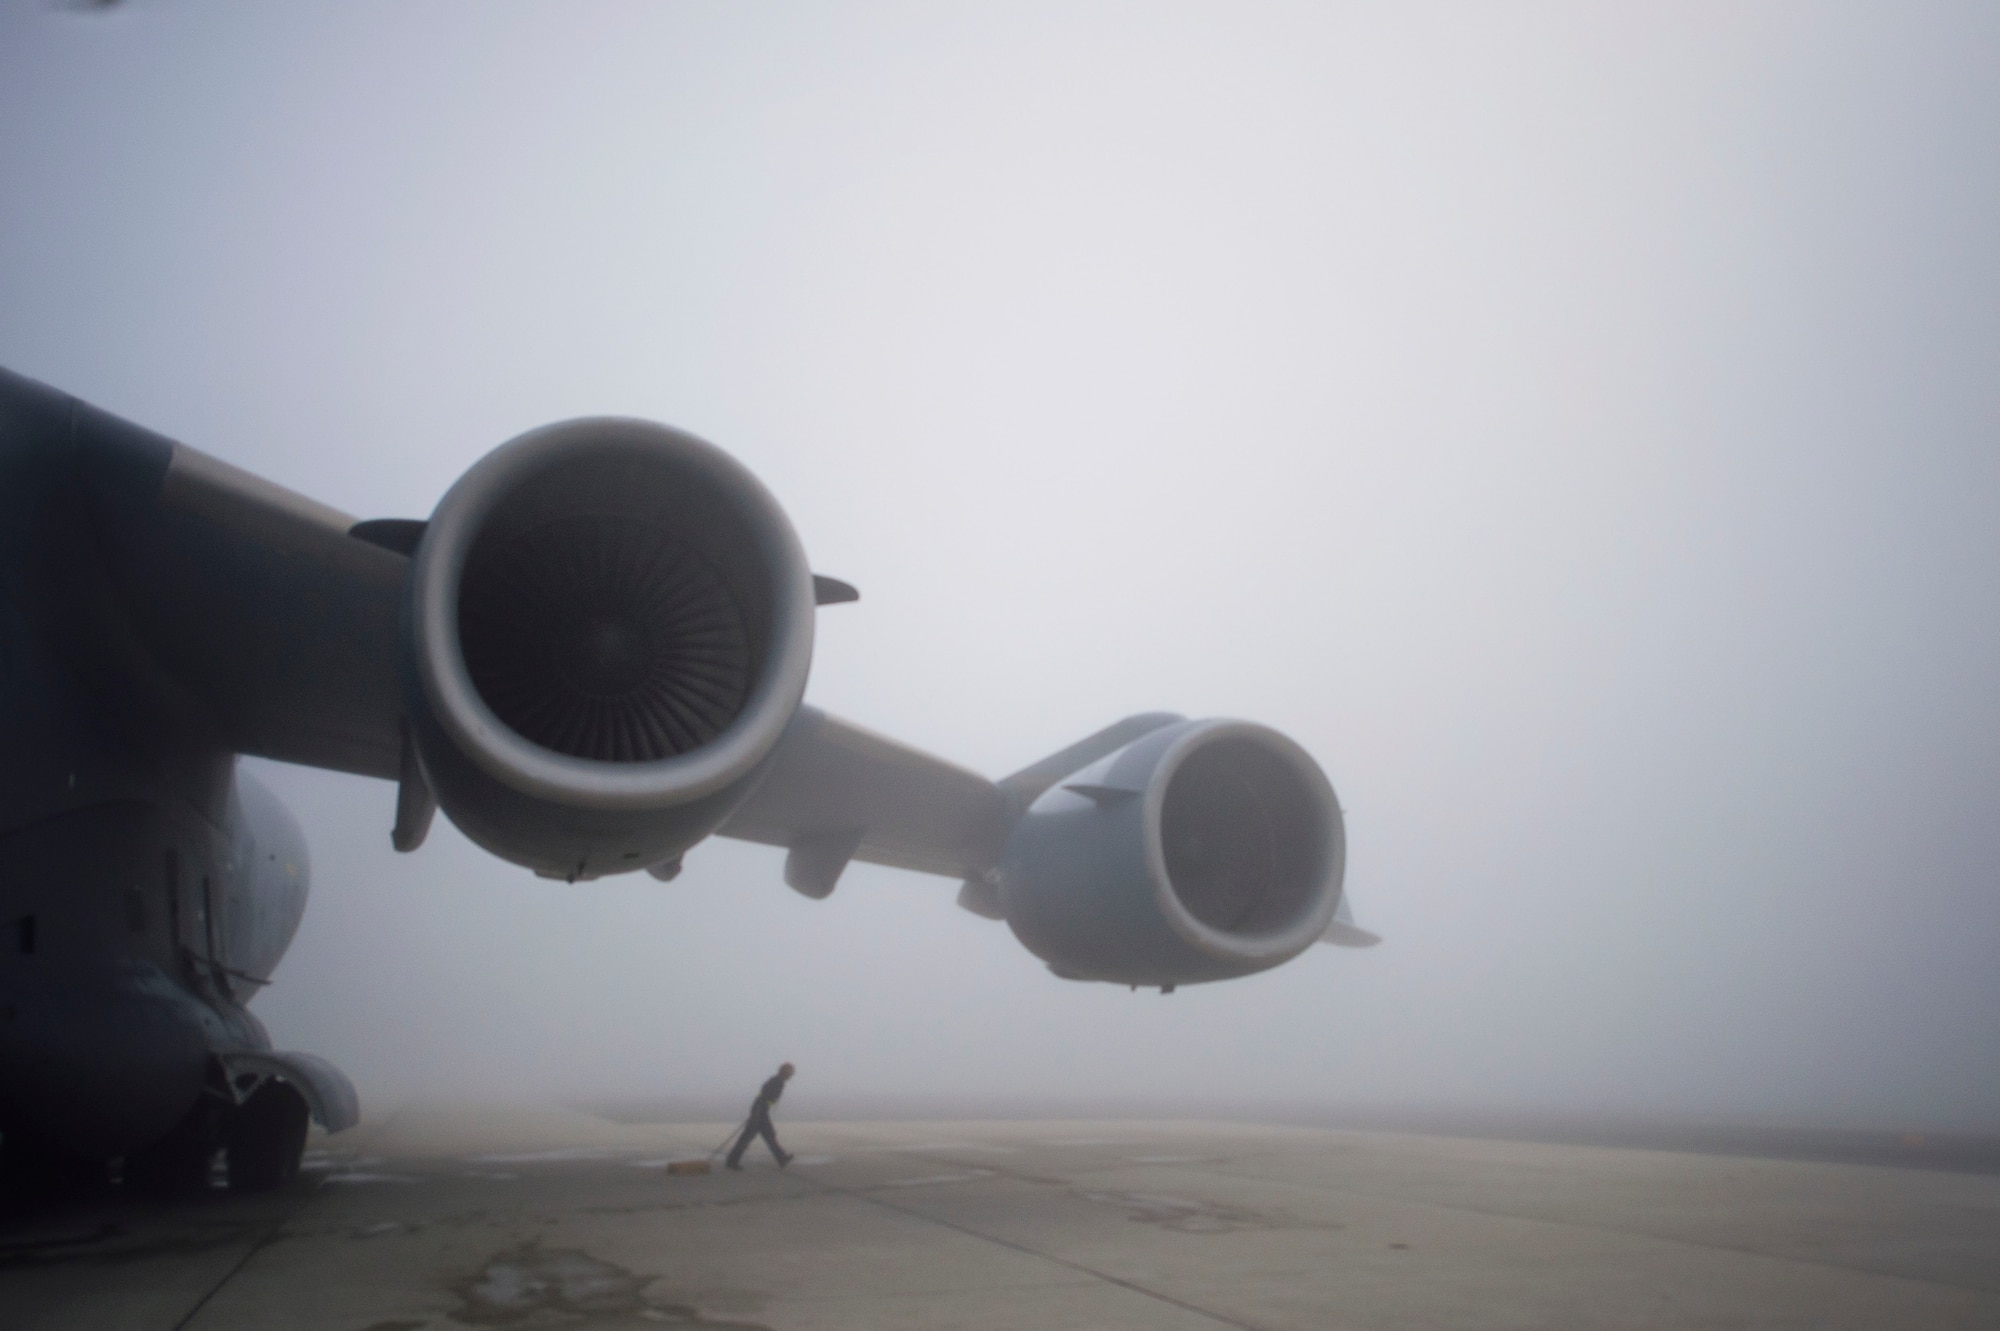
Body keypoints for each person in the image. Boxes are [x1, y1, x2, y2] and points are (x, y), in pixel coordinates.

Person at [725, 1062, 795, 1170]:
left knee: (768, 1135)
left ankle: (782, 1158)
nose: (792, 1075)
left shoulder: (777, 1081)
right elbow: (763, 1097)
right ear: (785, 1072)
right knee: (748, 1137)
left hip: (761, 1112)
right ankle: (732, 1161)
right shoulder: (776, 1082)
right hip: (759, 1112)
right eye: (790, 1072)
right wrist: (757, 1113)